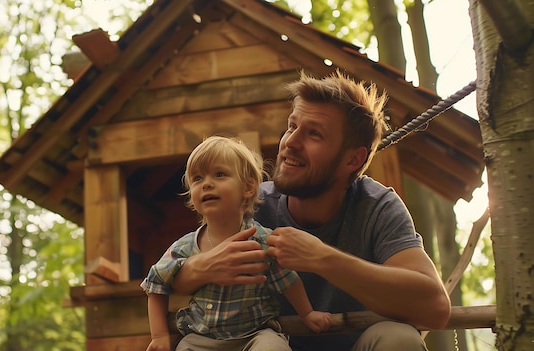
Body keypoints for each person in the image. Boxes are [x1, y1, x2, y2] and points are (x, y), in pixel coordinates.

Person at [170, 71, 452, 351]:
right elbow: (172, 277)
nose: (290, 142)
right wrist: (199, 268)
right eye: (292, 127)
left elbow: (436, 309)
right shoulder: (251, 206)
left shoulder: (376, 206)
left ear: (353, 159)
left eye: (313, 134)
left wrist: (322, 258)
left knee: (398, 339)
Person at [140, 135, 332, 351]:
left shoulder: (262, 240)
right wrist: (159, 335)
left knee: (273, 347)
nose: (207, 184)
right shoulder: (184, 247)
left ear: (248, 188)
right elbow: (155, 284)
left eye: (219, 174)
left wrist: (307, 313)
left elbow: (288, 280)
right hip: (202, 338)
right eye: (197, 179)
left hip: (254, 334)